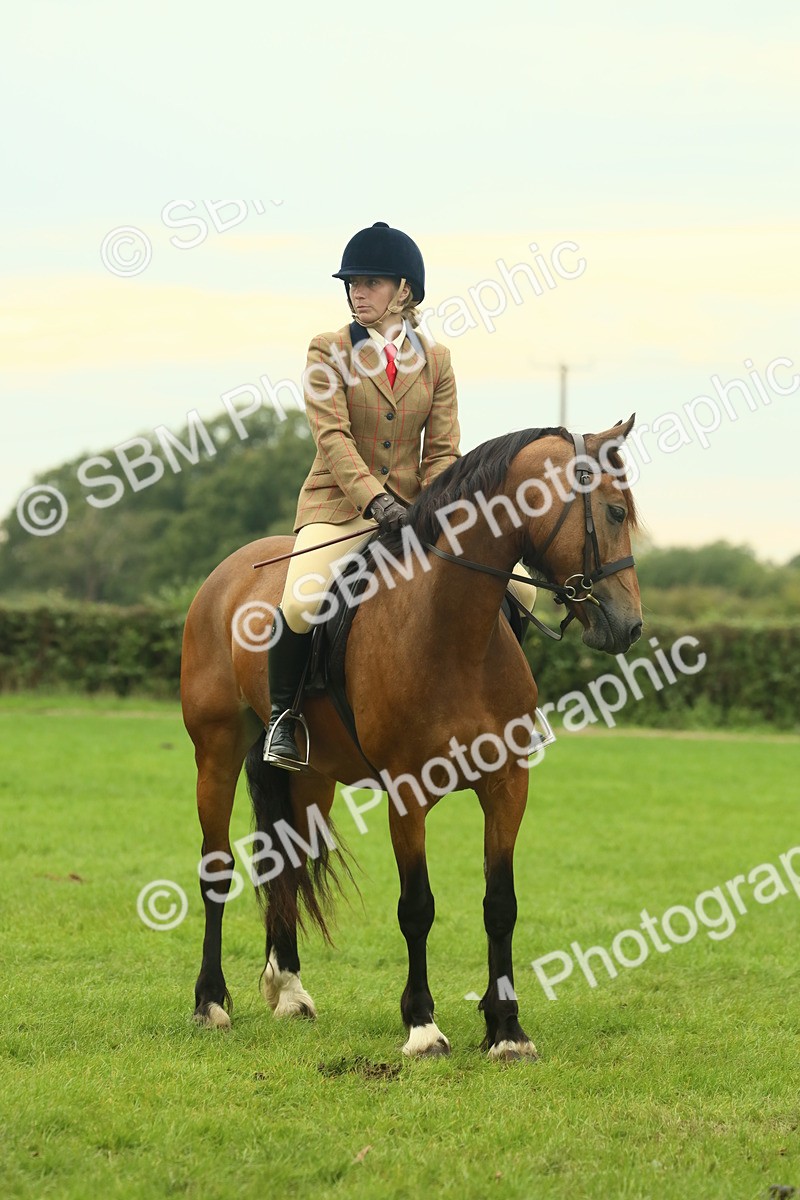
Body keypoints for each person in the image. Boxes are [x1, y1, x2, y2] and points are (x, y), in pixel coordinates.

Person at [265, 221, 535, 770]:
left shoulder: (436, 361)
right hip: (340, 508)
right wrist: (374, 501)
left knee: (524, 593)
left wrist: (437, 506)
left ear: (404, 292)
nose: (356, 293)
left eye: (370, 283)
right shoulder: (328, 350)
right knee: (300, 599)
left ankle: (505, 703)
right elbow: (333, 438)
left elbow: (442, 450)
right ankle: (283, 717)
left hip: (417, 509)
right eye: (351, 283)